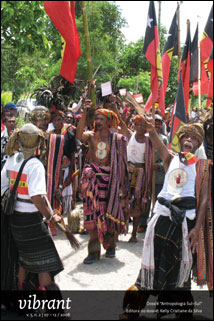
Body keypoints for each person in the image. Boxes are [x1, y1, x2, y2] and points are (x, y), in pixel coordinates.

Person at [120, 119, 212, 320]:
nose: (188, 139)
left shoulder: (203, 167)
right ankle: (132, 310)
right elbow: (154, 138)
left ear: (198, 145)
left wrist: (197, 228)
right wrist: (149, 127)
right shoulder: (170, 158)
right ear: (180, 141)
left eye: (194, 138)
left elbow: (204, 199)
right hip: (161, 219)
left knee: (180, 270)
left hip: (185, 224)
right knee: (151, 265)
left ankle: (183, 313)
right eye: (185, 136)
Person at [1, 124, 64, 308]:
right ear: (38, 141)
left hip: (15, 220)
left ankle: (21, 303)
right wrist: (51, 217)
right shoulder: (35, 165)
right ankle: (54, 311)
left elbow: (2, 187)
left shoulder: (13, 159)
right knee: (44, 263)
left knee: (24, 260)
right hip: (31, 221)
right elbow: (37, 197)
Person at [76, 100, 129, 264]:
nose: (98, 121)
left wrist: (117, 111)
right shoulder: (90, 136)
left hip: (110, 181)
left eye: (101, 119)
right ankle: (93, 251)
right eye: (96, 118)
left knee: (109, 213)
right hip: (92, 181)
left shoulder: (116, 138)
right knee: (91, 214)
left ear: (109, 121)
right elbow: (79, 135)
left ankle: (110, 246)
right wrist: (85, 113)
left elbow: (127, 135)